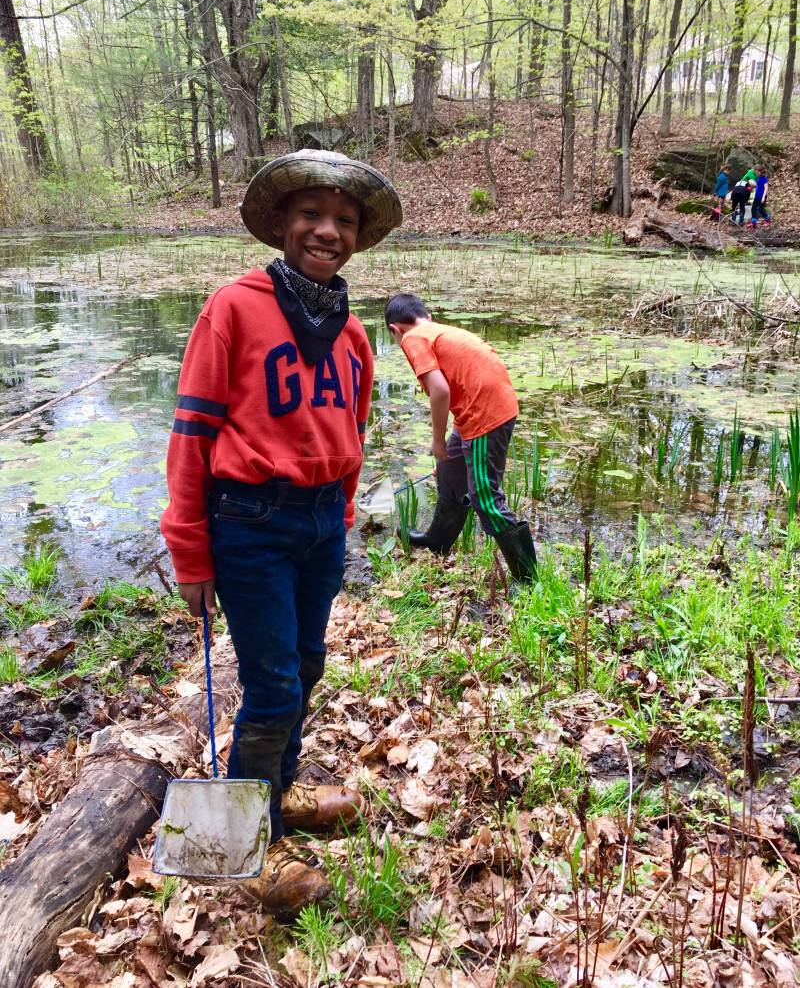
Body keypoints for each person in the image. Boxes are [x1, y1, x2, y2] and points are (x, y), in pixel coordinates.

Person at [161, 149, 402, 914]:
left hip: (320, 522)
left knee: (306, 662)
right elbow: (193, 434)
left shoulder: (355, 333)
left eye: (343, 220)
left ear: (358, 238)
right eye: (310, 216)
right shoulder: (233, 307)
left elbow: (349, 429)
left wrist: (343, 507)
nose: (326, 231)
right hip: (249, 522)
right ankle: (240, 843)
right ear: (281, 225)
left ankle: (281, 786)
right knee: (271, 687)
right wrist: (189, 549)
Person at [384, 293, 536, 583]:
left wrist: (437, 441)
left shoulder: (412, 338)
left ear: (395, 329)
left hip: (486, 415)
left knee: (485, 496)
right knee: (449, 473)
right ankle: (437, 541)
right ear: (425, 315)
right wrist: (449, 450)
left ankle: (528, 579)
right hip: (482, 407)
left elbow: (440, 391)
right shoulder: (438, 329)